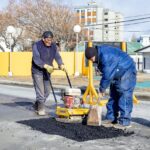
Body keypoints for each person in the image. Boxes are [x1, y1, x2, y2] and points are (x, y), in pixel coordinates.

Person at [85, 45, 136, 129]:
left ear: (93, 55)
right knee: (114, 94)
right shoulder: (100, 54)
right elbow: (106, 73)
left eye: (91, 59)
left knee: (124, 94)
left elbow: (107, 75)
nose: (91, 61)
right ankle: (111, 118)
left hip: (127, 69)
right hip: (117, 71)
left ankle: (125, 121)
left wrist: (102, 89)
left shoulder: (105, 56)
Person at [32, 31, 65, 115]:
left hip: (47, 71)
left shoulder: (53, 46)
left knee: (47, 90)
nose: (49, 41)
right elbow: (36, 59)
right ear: (43, 39)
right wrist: (45, 65)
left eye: (51, 39)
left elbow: (57, 56)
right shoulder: (37, 45)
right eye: (47, 39)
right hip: (37, 71)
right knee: (40, 91)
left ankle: (38, 104)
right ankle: (40, 109)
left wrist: (61, 64)